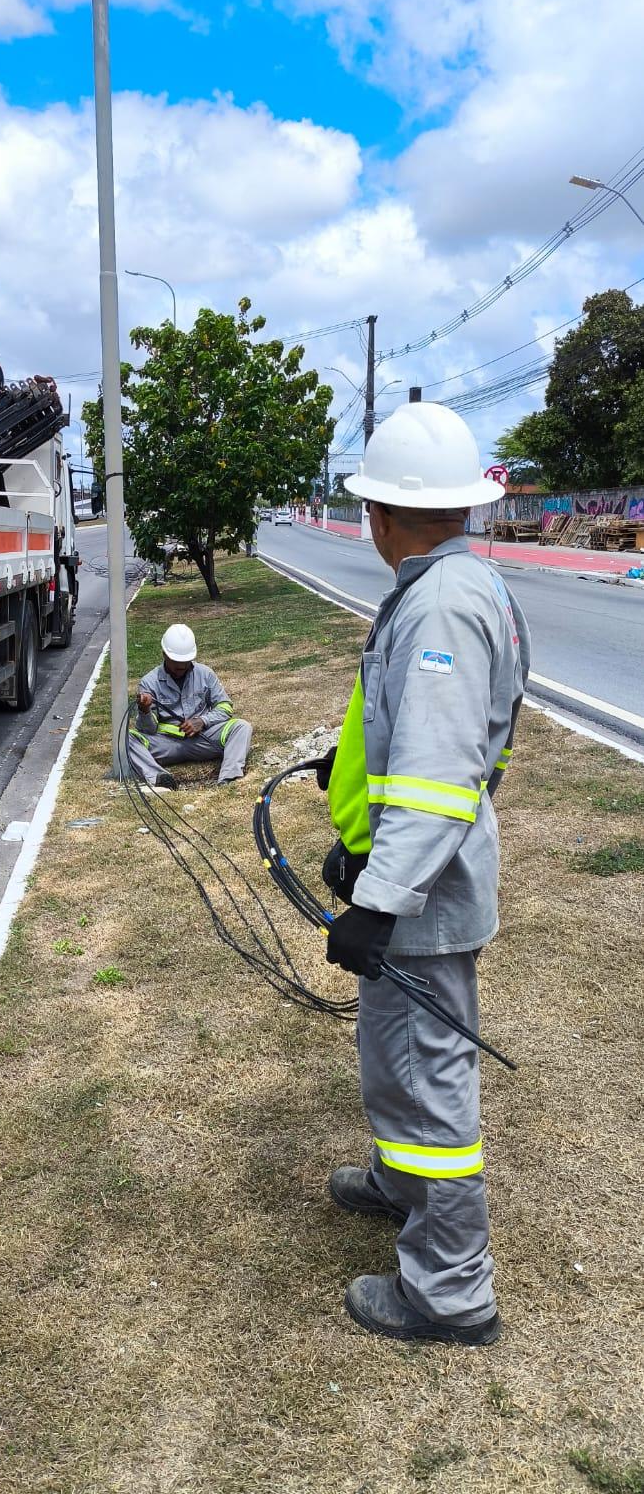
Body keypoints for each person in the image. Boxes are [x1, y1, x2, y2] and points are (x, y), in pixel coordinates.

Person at [316, 402, 530, 1346]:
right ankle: (401, 1185)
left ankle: (448, 1292)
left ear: (384, 514)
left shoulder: (439, 602)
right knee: (395, 1058)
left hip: (425, 897)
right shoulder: (461, 583)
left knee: (426, 1076)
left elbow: (440, 780)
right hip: (422, 879)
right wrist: (355, 802)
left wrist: (376, 899)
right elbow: (431, 745)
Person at [130, 623, 252, 790]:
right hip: (167, 744)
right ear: (164, 654)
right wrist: (144, 710)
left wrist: (202, 721)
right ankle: (158, 778)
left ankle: (228, 779)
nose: (181, 668)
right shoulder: (149, 682)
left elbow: (225, 707)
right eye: (176, 663)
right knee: (127, 738)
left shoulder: (205, 674)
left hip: (203, 739)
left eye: (185, 663)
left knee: (241, 727)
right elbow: (148, 730)